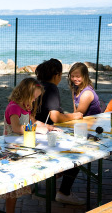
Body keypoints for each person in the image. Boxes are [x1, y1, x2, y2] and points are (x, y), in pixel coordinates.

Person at [2, 77, 59, 213]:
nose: (34, 101)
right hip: (12, 147)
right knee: (13, 187)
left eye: (36, 98)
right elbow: (16, 128)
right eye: (33, 97)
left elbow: (33, 122)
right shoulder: (14, 107)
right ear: (25, 94)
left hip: (23, 146)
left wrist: (47, 126)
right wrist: (37, 129)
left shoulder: (26, 107)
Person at [35, 58, 85, 205]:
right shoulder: (51, 88)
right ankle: (64, 192)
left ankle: (49, 179)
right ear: (56, 75)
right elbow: (55, 116)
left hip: (33, 131)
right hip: (45, 134)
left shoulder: (36, 85)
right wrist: (74, 115)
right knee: (78, 154)